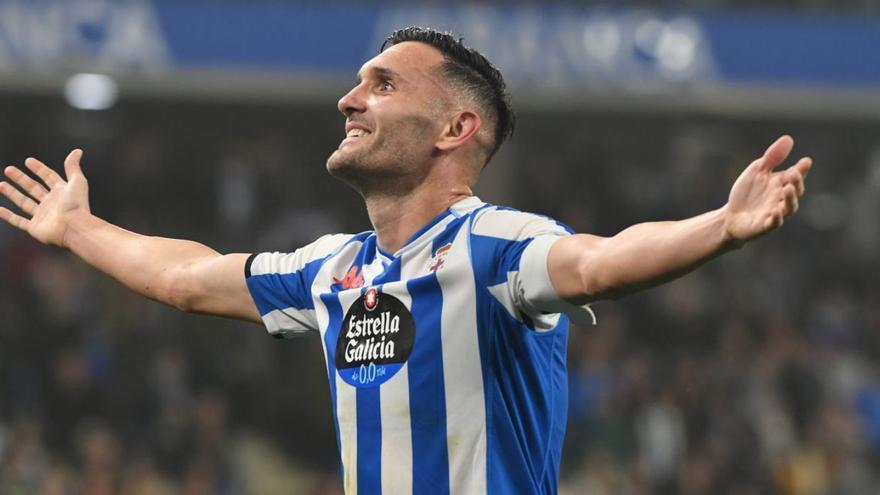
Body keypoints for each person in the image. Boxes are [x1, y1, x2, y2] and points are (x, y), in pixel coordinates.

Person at [0, 27, 810, 495]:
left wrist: (722, 227)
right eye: (357, 83)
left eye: (382, 85)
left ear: (455, 129)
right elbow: (185, 278)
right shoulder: (332, 271)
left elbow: (599, 263)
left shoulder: (494, 245)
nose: (350, 99)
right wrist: (77, 228)